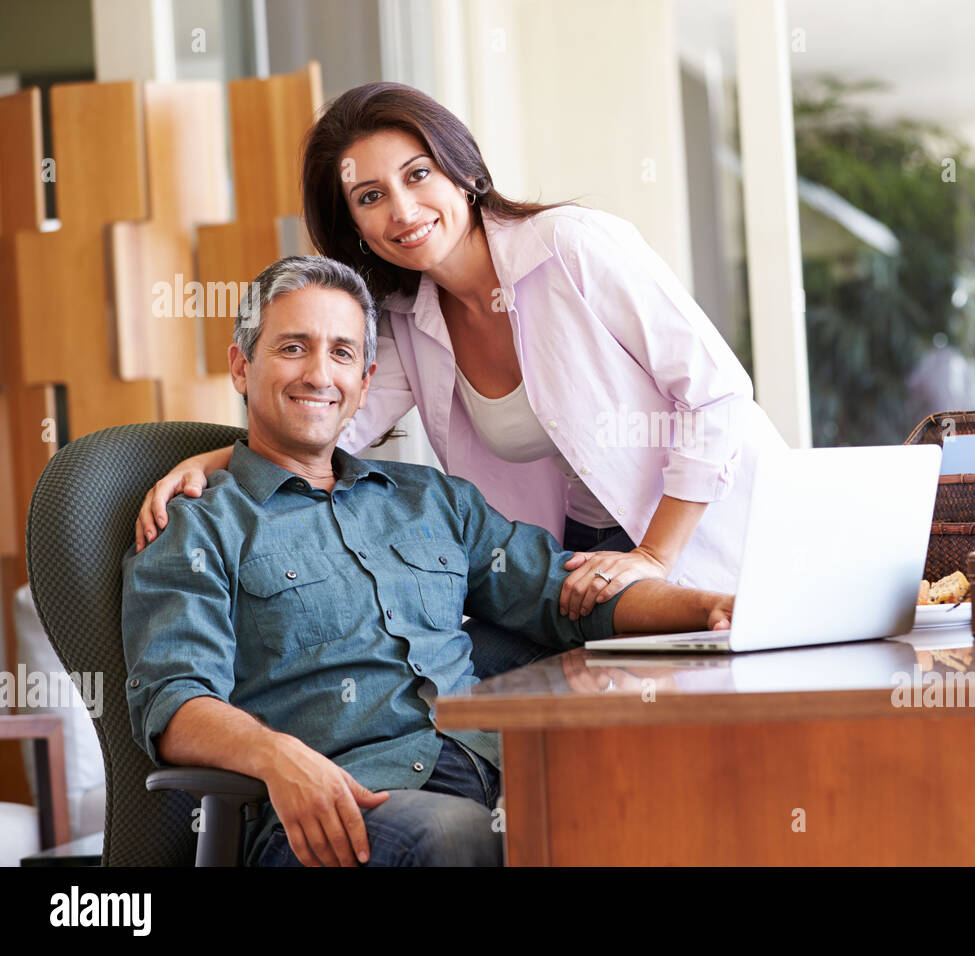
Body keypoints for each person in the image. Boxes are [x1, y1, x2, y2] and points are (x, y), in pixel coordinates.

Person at [122, 256, 734, 867]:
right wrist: (276, 755)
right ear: (241, 366)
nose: (318, 373)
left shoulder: (431, 500)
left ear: (365, 382)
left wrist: (713, 608)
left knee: (667, 793)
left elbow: (570, 592)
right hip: (339, 810)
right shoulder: (197, 524)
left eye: (342, 353)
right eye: (292, 347)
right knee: (454, 835)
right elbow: (173, 701)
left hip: (496, 769)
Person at [134, 82, 786, 653]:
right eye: (370, 196)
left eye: (417, 175)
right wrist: (211, 461)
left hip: (704, 523)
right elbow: (326, 427)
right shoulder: (405, 321)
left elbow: (716, 395)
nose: (403, 211)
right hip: (583, 554)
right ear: (354, 226)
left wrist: (654, 555)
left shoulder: (572, 246)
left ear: (461, 171)